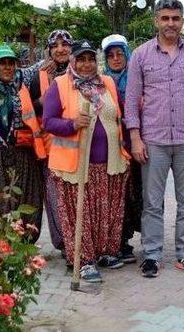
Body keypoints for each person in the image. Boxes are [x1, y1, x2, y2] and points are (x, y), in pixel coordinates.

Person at [125, 0, 184, 278]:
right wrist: (136, 138)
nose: (170, 23)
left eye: (175, 18)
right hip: (153, 140)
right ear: (156, 21)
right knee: (152, 202)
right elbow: (131, 100)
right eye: (165, 18)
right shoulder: (140, 55)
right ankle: (151, 255)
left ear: (183, 21)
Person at [43, 40, 130, 283]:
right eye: (81, 59)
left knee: (106, 212)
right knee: (78, 215)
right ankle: (83, 260)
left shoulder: (107, 83)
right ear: (73, 61)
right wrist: (72, 124)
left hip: (109, 162)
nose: (86, 64)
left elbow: (119, 115)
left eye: (91, 59)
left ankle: (104, 253)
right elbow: (48, 122)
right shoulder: (61, 85)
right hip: (75, 166)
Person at [0, 44, 46, 242]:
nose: (8, 67)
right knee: (1, 194)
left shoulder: (22, 83)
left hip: (24, 149)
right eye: (3, 63)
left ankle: (27, 241)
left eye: (11, 63)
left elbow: (42, 66)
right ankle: (6, 242)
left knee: (29, 194)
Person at [29, 29, 73, 254]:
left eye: (64, 44)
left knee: (75, 198)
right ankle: (65, 244)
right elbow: (25, 105)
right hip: (51, 148)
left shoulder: (82, 71)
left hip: (76, 148)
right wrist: (41, 100)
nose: (60, 49)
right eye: (55, 45)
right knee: (56, 199)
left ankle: (80, 242)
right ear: (48, 50)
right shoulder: (38, 74)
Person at [101, 33, 141, 265]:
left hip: (134, 144)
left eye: (120, 54)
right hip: (110, 147)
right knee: (115, 194)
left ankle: (127, 240)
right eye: (111, 55)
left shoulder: (137, 78)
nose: (116, 59)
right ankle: (115, 241)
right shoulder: (101, 81)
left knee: (134, 194)